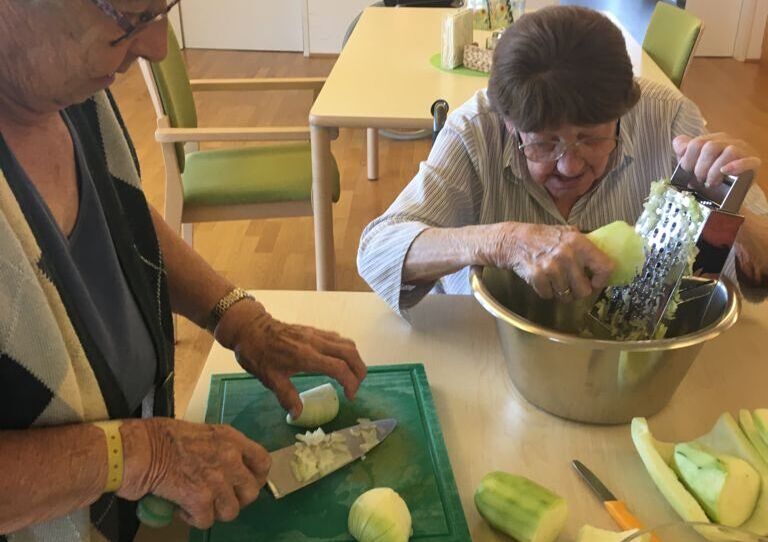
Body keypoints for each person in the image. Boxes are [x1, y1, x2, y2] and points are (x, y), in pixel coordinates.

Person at [0, 1, 366, 540]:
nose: (157, 47)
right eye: (130, 20)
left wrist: (238, 318)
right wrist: (138, 453)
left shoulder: (67, 93)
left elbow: (121, 215)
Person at [357, 5, 768, 317]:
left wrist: (733, 211)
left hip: (626, 353)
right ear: (509, 124)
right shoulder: (475, 128)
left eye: (591, 139)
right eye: (543, 144)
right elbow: (377, 251)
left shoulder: (668, 119)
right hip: (490, 342)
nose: (569, 165)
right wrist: (502, 241)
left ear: (623, 111)